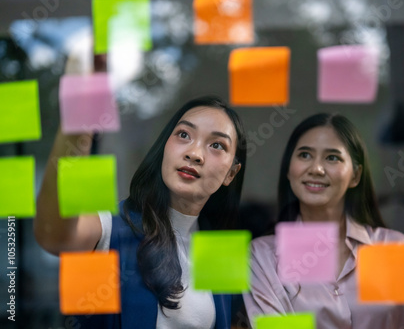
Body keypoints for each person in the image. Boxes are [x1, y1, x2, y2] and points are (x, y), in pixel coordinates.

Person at [35, 95, 247, 329]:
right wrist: (81, 113)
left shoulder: (222, 253)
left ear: (231, 173)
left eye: (217, 145)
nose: (195, 153)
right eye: (184, 135)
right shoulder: (113, 227)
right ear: (165, 146)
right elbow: (54, 236)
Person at [243, 113, 404, 328]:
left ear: (355, 176)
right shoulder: (263, 257)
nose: (316, 169)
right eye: (304, 155)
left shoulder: (398, 251)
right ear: (288, 168)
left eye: (332, 158)